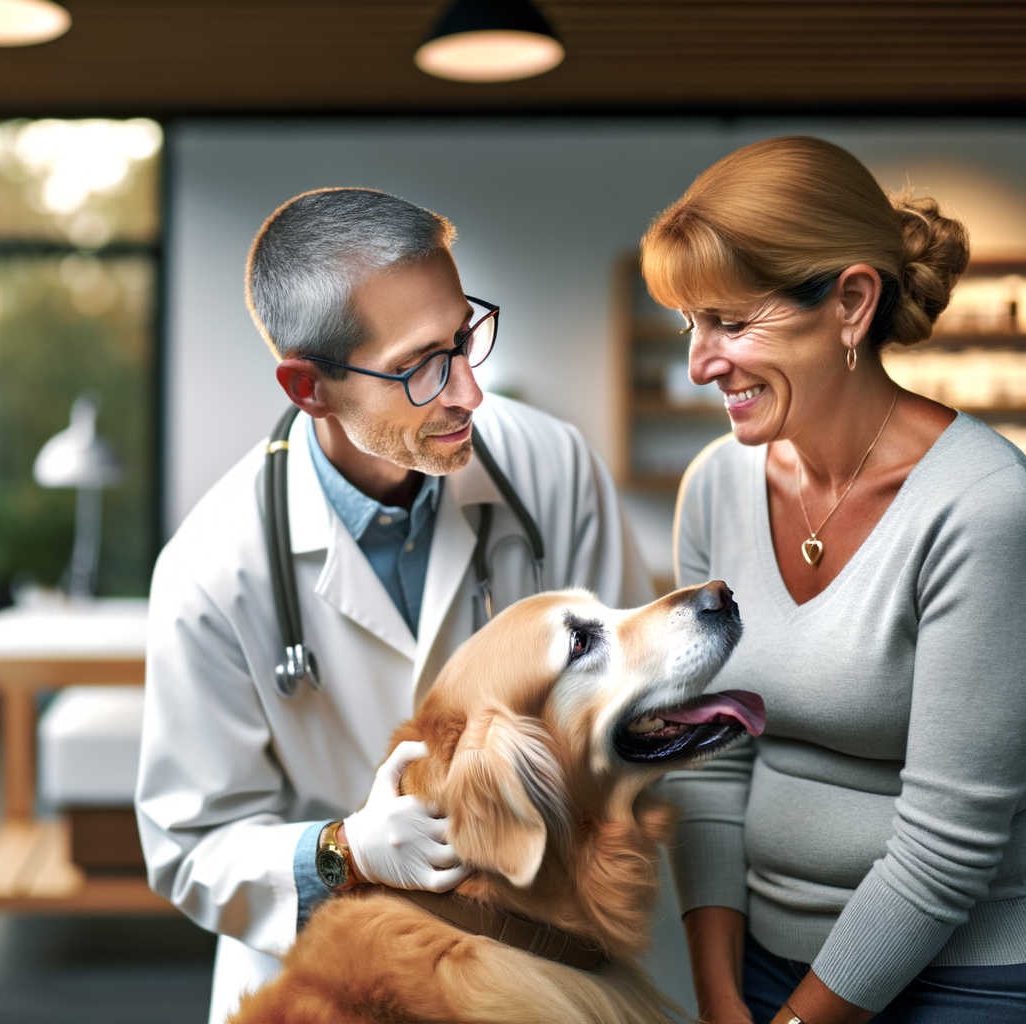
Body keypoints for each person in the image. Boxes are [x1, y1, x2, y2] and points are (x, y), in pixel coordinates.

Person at [137, 187, 655, 1023]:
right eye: (422, 365)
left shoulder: (549, 466)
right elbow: (191, 846)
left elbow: (639, 697)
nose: (469, 393)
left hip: (546, 953)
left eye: (464, 339)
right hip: (337, 978)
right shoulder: (210, 568)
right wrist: (344, 852)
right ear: (309, 387)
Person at [650, 137, 1026, 1024]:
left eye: (732, 324)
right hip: (770, 975)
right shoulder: (715, 484)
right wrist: (720, 998)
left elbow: (947, 845)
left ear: (851, 301)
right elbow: (707, 763)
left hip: (982, 982)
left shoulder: (981, 504)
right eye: (691, 324)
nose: (702, 363)